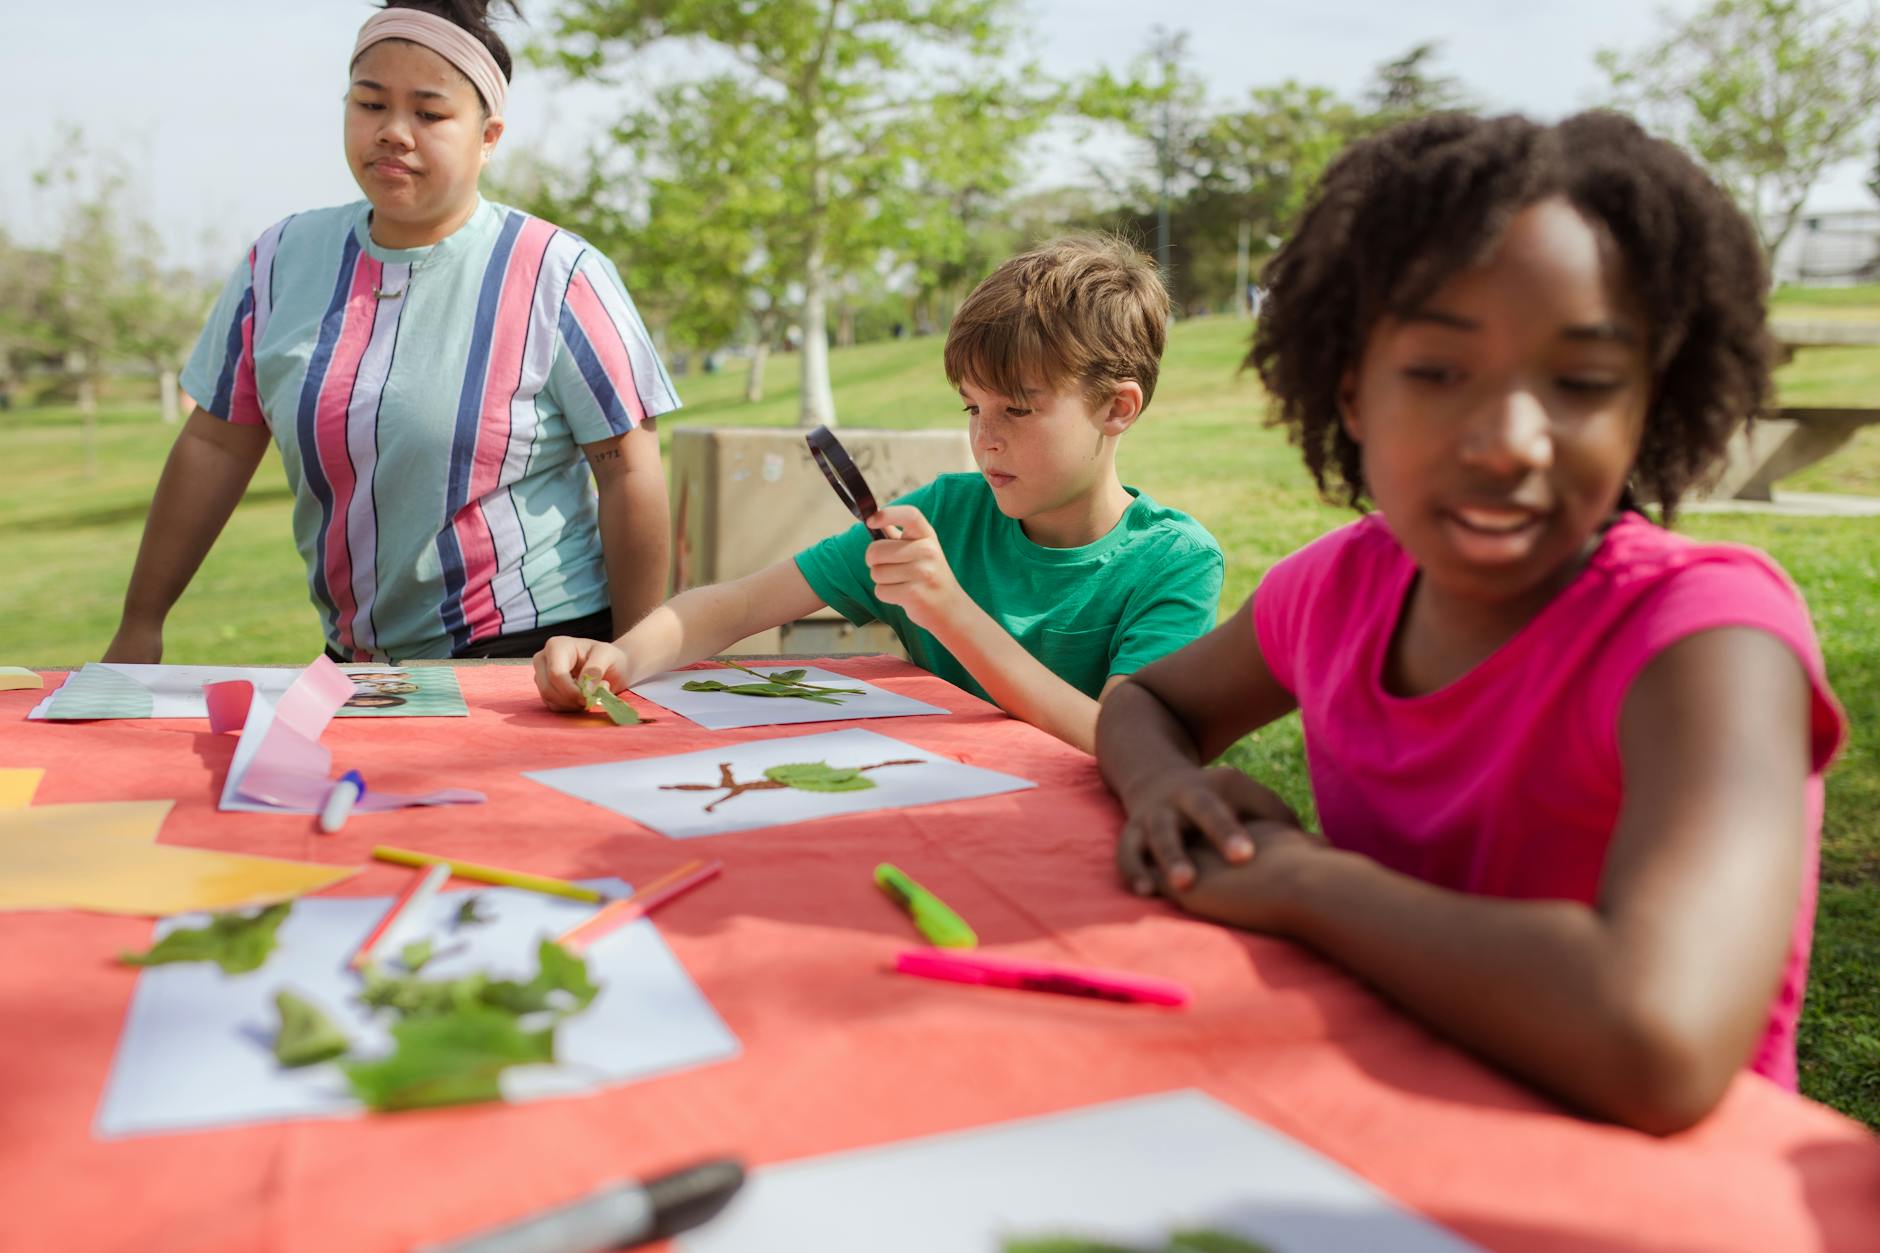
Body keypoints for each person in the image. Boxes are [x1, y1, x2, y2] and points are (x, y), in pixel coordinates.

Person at [1099, 112, 1846, 1133]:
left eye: (1581, 382)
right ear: (1351, 391)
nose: (1507, 441)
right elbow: (1145, 694)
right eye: (1438, 372)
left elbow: (1655, 1034)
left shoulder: (1705, 640)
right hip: (1375, 1137)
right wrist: (1163, 787)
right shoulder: (1336, 589)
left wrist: (1307, 882)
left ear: (1647, 403)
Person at [104, 0, 675, 664]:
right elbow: (215, 446)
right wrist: (140, 623)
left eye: (429, 114)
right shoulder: (281, 261)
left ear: (488, 137)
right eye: (370, 105)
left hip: (530, 663)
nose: (394, 132)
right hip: (361, 672)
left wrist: (635, 657)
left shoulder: (558, 274)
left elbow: (631, 472)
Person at [536, 236, 1224, 753]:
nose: (984, 440)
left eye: (1016, 410)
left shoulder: (1173, 561)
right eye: (970, 409)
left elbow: (1119, 742)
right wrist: (623, 656)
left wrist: (948, 611)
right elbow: (740, 603)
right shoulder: (948, 512)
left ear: (1118, 408)